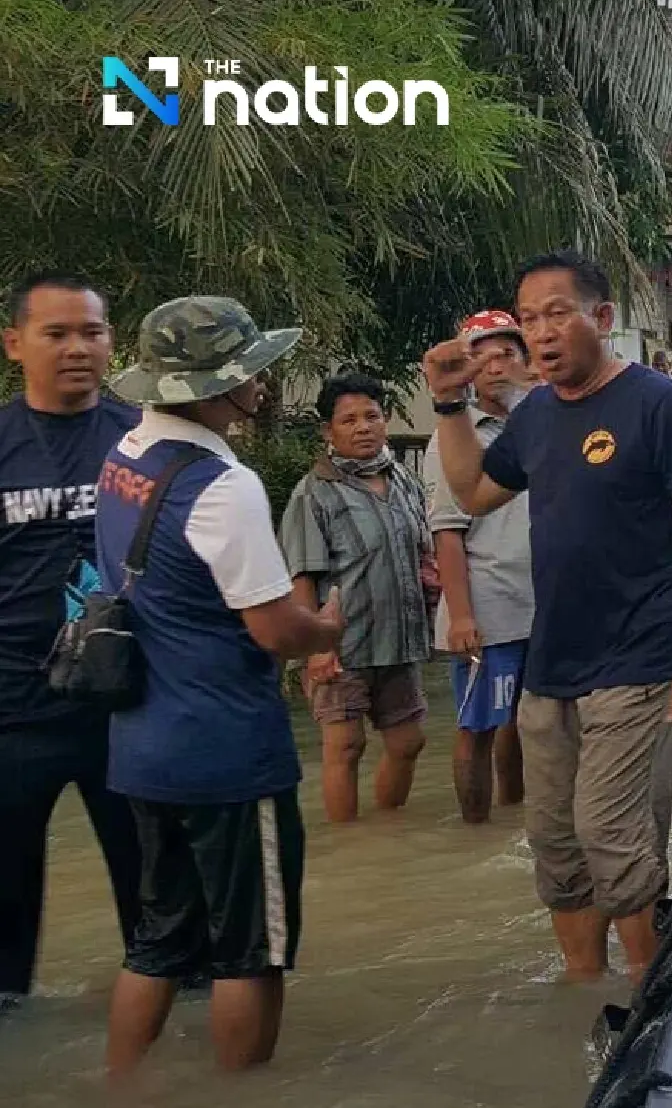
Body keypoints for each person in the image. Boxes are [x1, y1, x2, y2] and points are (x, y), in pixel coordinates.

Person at [423, 250, 672, 984]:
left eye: (557, 312)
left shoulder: (658, 403)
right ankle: (582, 993)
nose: (542, 331)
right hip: (553, 658)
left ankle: (646, 998)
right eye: (529, 318)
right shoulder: (533, 417)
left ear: (602, 318)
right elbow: (470, 493)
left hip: (642, 654)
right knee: (555, 841)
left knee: (611, 831)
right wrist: (445, 404)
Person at [95, 296, 342, 1075]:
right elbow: (274, 629)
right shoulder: (223, 486)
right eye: (251, 373)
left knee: (158, 939)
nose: (263, 386)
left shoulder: (126, 455)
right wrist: (327, 627)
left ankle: (123, 1086)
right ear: (214, 386)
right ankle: (245, 1091)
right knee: (251, 952)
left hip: (141, 747)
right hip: (228, 755)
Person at [0, 272, 141, 1006]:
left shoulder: (142, 441)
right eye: (57, 333)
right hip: (12, 713)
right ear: (15, 342)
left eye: (92, 331)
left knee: (154, 898)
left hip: (124, 709)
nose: (77, 347)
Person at [280, 372, 432, 823]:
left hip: (400, 638)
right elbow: (302, 578)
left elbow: (423, 550)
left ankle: (386, 833)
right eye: (349, 420)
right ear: (329, 431)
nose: (363, 427)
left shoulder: (403, 479)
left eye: (372, 416)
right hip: (342, 646)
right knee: (346, 747)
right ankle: (348, 843)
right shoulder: (313, 493)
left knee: (409, 743)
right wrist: (316, 650)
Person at [424, 310, 535, 825]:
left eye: (507, 353)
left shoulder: (545, 426)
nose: (495, 365)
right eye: (482, 356)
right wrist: (463, 616)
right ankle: (475, 830)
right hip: (487, 608)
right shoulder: (456, 433)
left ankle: (515, 818)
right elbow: (447, 532)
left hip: (544, 606)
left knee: (525, 724)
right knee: (479, 726)